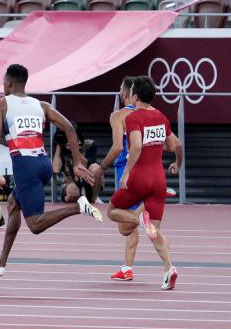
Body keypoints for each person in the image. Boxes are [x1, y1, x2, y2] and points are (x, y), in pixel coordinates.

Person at [0, 64, 103, 277]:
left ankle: (78, 207)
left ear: (8, 83)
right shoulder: (41, 105)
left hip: (25, 166)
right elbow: (70, 128)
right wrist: (76, 162)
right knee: (12, 204)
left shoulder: (0, 104)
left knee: (35, 224)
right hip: (43, 163)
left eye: (3, 82)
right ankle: (0, 262)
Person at [107, 76, 182, 290]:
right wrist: (177, 164)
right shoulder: (161, 116)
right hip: (159, 180)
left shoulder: (133, 118)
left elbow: (137, 146)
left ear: (135, 96)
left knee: (112, 210)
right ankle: (169, 269)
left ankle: (139, 218)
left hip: (140, 178)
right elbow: (175, 145)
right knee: (155, 232)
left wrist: (126, 174)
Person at [95, 77, 142, 281]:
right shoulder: (149, 114)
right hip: (147, 170)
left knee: (120, 219)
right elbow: (173, 144)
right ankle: (127, 268)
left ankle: (143, 213)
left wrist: (101, 167)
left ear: (125, 93)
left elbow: (117, 147)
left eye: (119, 90)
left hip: (126, 172)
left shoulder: (119, 115)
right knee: (130, 224)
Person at [52, 122, 103, 203]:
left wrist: (74, 148)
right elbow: (56, 170)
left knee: (96, 168)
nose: (67, 139)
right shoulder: (61, 149)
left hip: (88, 182)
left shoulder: (89, 145)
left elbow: (88, 164)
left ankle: (93, 201)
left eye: (70, 136)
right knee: (72, 191)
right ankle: (72, 200)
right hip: (70, 183)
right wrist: (59, 145)